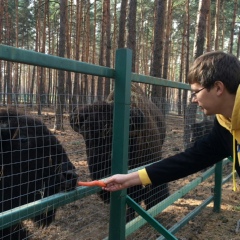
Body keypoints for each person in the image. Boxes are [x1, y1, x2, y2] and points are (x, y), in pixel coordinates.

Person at [103, 50, 240, 192]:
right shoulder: (225, 123)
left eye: (196, 92)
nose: (193, 99)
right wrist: (130, 179)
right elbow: (193, 159)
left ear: (218, 88)